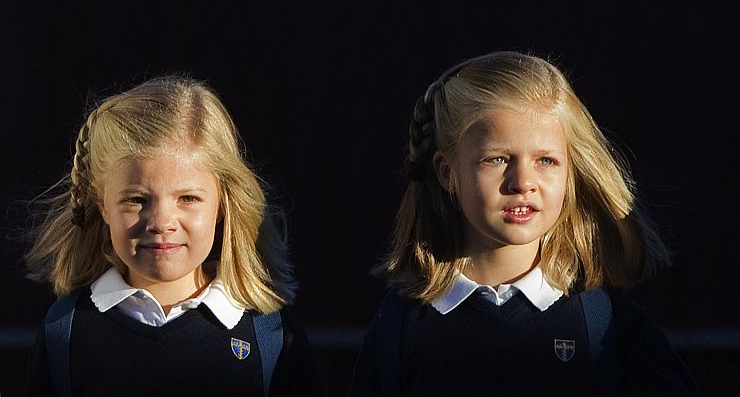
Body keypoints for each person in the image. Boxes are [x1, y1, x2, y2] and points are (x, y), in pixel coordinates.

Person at [349, 51, 699, 397]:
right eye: (497, 159)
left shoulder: (606, 326)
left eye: (546, 160)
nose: (523, 182)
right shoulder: (398, 329)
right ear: (446, 171)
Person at [23, 76, 323, 397]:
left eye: (188, 199)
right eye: (137, 200)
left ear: (223, 203)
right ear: (103, 205)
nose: (161, 222)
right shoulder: (66, 332)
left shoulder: (271, 335)